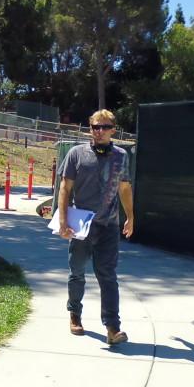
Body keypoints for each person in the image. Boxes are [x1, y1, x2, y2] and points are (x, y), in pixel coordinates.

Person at [57, 109, 135, 345]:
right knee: (77, 272)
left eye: (104, 127)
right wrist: (62, 220)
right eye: (94, 127)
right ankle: (75, 315)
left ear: (113, 129)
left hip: (109, 225)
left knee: (108, 276)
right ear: (89, 128)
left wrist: (130, 216)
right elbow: (64, 188)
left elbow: (124, 188)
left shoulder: (121, 156)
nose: (99, 132)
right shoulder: (76, 154)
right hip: (81, 224)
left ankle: (113, 328)